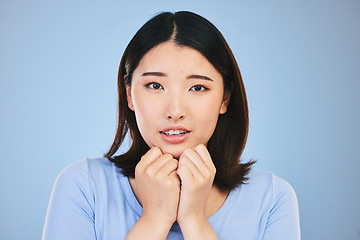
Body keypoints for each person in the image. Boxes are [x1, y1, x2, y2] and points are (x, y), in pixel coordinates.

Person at [42, 11, 301, 240]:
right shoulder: (84, 187)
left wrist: (194, 222)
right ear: (130, 94)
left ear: (225, 98)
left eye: (197, 87)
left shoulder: (272, 200)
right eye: (155, 86)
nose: (175, 111)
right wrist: (154, 218)